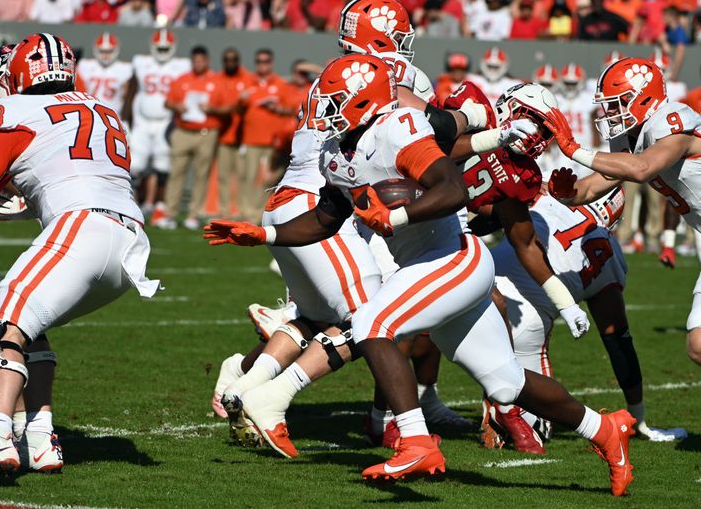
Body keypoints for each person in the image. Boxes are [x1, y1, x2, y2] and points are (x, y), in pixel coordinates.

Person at [204, 54, 636, 496]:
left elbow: (453, 189)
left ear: (364, 101)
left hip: (453, 258)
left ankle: (414, 439)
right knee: (506, 384)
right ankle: (605, 429)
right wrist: (264, 232)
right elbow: (326, 218)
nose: (326, 111)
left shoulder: (399, 127)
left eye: (336, 101)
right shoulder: (336, 153)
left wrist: (397, 218)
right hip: (422, 266)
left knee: (371, 322)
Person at [0, 33, 159, 474]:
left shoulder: (15, 111)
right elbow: (75, 168)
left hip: (79, 230)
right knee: (29, 327)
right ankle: (40, 440)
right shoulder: (102, 108)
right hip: (130, 242)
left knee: (1, 326)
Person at [482, 189, 687, 444]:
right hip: (524, 320)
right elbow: (616, 337)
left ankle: (430, 400)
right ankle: (504, 408)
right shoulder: (606, 245)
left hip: (481, 280)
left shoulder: (544, 198)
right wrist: (639, 417)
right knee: (535, 421)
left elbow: (490, 206)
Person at [549, 56, 701, 368]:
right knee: (698, 346)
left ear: (644, 97)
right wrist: (563, 192)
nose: (611, 113)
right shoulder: (631, 136)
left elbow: (642, 169)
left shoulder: (672, 119)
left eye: (618, 103)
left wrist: (574, 149)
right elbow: (592, 187)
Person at [121, 29, 190, 228]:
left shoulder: (180, 66)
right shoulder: (141, 63)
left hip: (165, 121)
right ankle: (130, 205)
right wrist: (126, 119)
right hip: (143, 121)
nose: (161, 51)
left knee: (163, 166)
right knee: (135, 165)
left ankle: (160, 207)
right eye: (159, 48)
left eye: (165, 48)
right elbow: (132, 90)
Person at [163, 46, 227, 230]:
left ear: (207, 61)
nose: (198, 64)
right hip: (183, 130)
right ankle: (170, 214)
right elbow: (167, 102)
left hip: (206, 132)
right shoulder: (182, 80)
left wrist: (211, 109)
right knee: (176, 173)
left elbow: (228, 107)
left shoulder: (216, 81)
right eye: (195, 60)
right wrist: (177, 106)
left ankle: (193, 214)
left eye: (201, 60)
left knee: (201, 175)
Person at [237, 49, 293, 224]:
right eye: (259, 61)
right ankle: (246, 212)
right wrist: (241, 100)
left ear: (271, 62)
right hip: (251, 139)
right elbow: (237, 110)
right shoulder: (248, 82)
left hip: (272, 141)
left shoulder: (281, 84)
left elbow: (290, 111)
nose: (262, 64)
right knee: (248, 177)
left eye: (266, 61)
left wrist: (276, 108)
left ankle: (259, 213)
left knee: (267, 181)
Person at [215, 49, 254, 218]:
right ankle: (224, 211)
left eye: (233, 59)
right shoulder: (218, 79)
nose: (230, 62)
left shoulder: (247, 78)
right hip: (224, 135)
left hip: (243, 136)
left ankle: (242, 210)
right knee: (223, 176)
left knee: (243, 176)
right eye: (227, 59)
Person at [77, 33, 133, 118]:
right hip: (89, 113)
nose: (106, 55)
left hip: (114, 115)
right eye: (102, 51)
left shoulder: (126, 69)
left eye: (109, 51)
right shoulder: (84, 65)